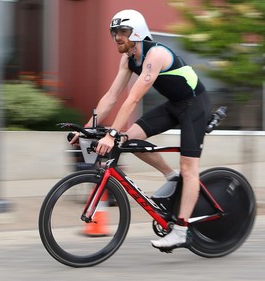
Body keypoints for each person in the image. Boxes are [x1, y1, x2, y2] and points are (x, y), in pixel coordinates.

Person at [70, 9, 211, 250]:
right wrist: (86, 128)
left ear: (137, 33)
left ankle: (181, 230)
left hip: (195, 105)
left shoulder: (154, 54)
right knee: (128, 140)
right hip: (174, 105)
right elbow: (112, 96)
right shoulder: (128, 58)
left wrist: (111, 133)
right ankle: (170, 176)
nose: (117, 38)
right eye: (114, 33)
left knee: (189, 168)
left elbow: (132, 99)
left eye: (122, 32)